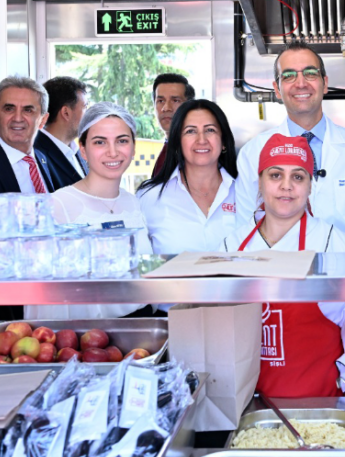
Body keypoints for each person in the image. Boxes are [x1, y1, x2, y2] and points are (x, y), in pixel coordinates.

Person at [222, 134, 345, 396]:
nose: (286, 186)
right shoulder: (231, 249)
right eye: (275, 175)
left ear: (310, 186)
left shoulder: (336, 246)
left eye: (298, 177)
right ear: (259, 184)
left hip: (322, 406)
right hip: (248, 409)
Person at [235, 41, 345, 249]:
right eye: (288, 76)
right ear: (277, 89)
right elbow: (246, 226)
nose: (301, 83)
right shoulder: (253, 152)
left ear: (324, 83)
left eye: (310, 73)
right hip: (280, 270)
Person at [25, 103, 153, 320]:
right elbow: (41, 300)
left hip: (142, 328)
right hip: (88, 340)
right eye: (100, 142)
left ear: (133, 148)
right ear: (82, 149)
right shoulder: (59, 205)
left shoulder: (134, 203)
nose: (113, 152)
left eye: (122, 141)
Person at [139, 99, 237, 256]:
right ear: (178, 143)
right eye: (190, 131)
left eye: (210, 130)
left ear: (224, 141)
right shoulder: (149, 197)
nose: (201, 140)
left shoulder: (247, 194)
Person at [35, 76, 89, 189]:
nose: (89, 115)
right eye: (85, 107)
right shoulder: (35, 156)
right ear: (66, 113)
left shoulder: (78, 151)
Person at [150, 73, 195, 178]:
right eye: (160, 101)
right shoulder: (168, 148)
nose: (166, 108)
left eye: (175, 100)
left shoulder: (198, 152)